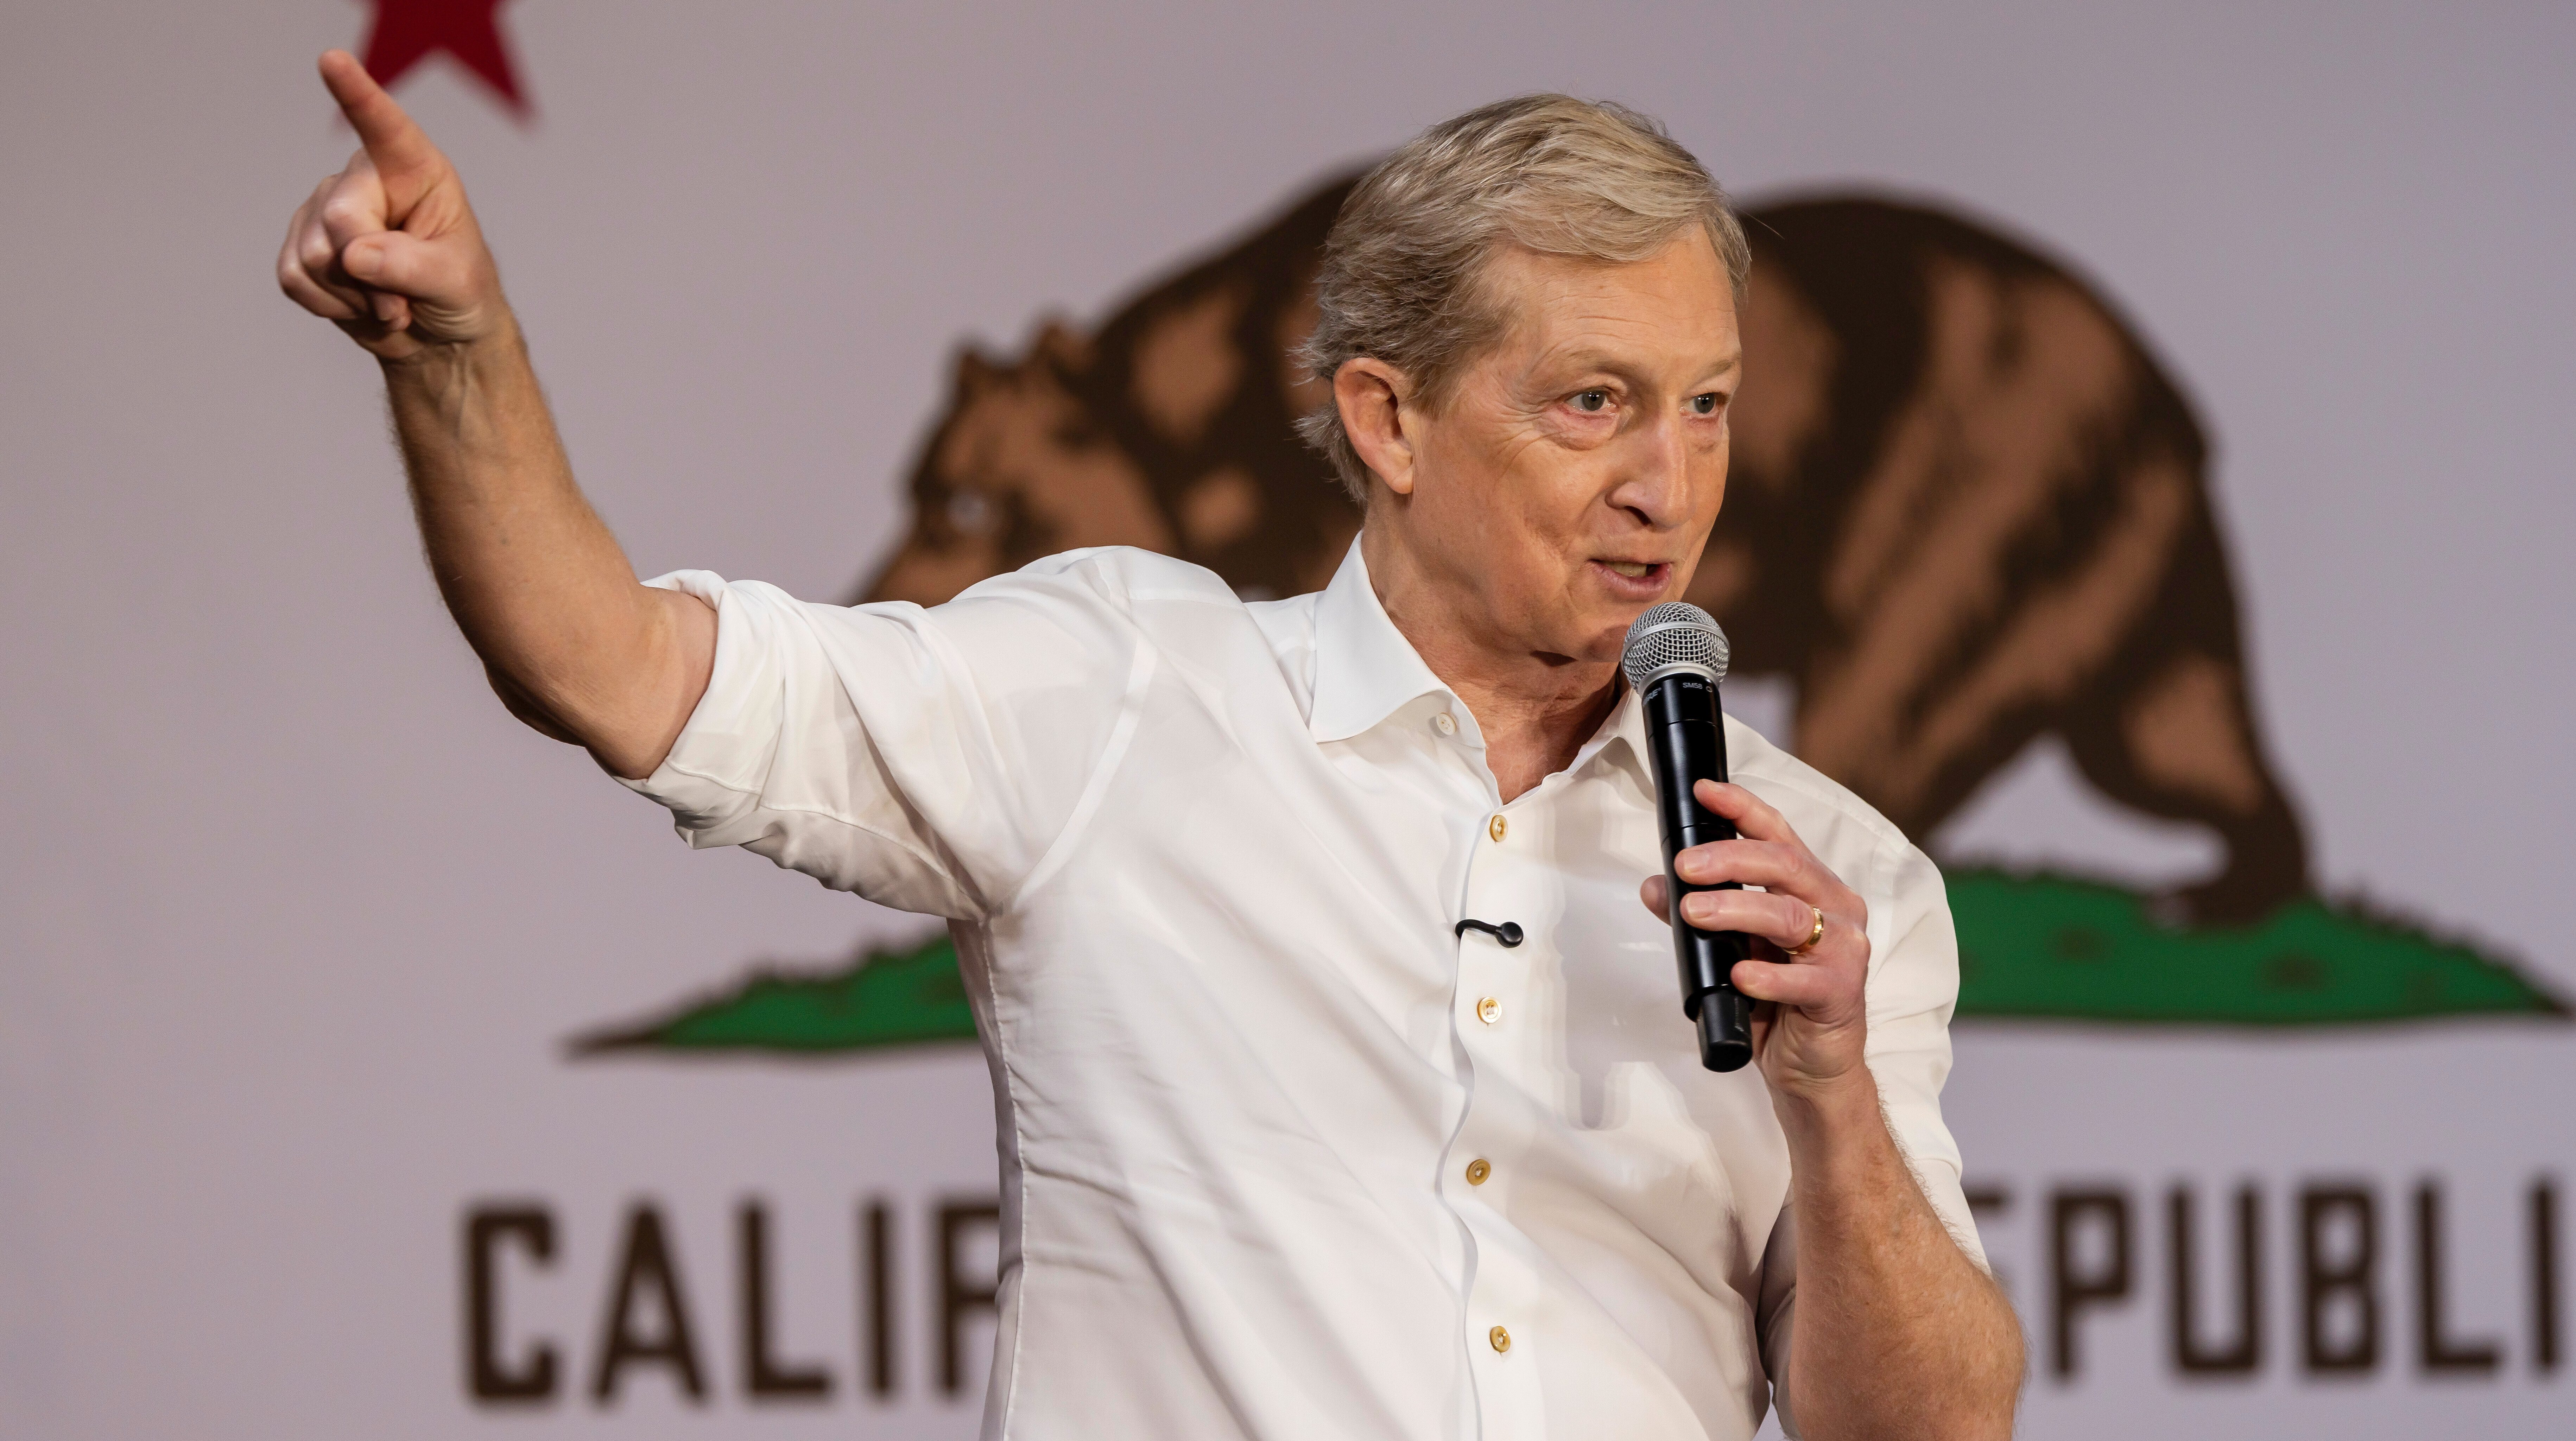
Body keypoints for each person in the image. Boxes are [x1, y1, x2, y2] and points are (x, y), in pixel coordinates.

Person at [277, 50, 2022, 1440]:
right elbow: (614, 666)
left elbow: (1932, 1432)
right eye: (1593, 404)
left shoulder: (1824, 877)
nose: (1671, 483)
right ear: (1386, 419)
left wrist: (1830, 1103)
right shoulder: (1123, 689)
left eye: (1705, 404)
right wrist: (459, 358)